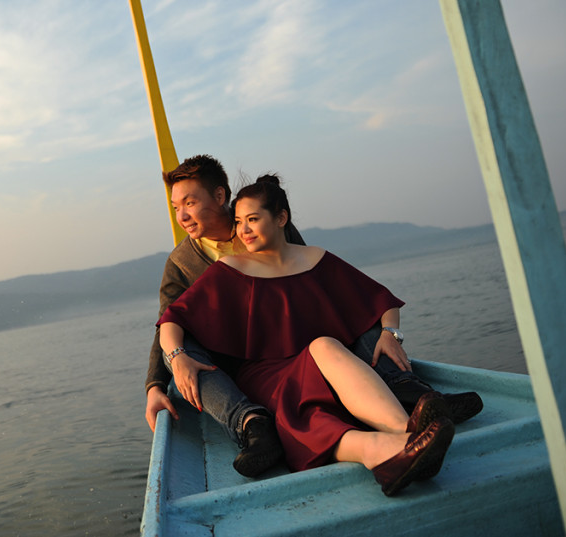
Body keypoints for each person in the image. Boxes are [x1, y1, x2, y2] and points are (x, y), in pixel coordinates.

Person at [144, 156, 480, 478]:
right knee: (187, 350)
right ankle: (251, 424)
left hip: (314, 346)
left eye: (188, 203)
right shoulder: (201, 265)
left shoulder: (284, 239)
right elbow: (169, 318)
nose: (181, 215)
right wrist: (160, 379)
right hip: (249, 362)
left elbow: (348, 292)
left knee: (341, 325)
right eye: (176, 207)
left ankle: (407, 413)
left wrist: (391, 332)